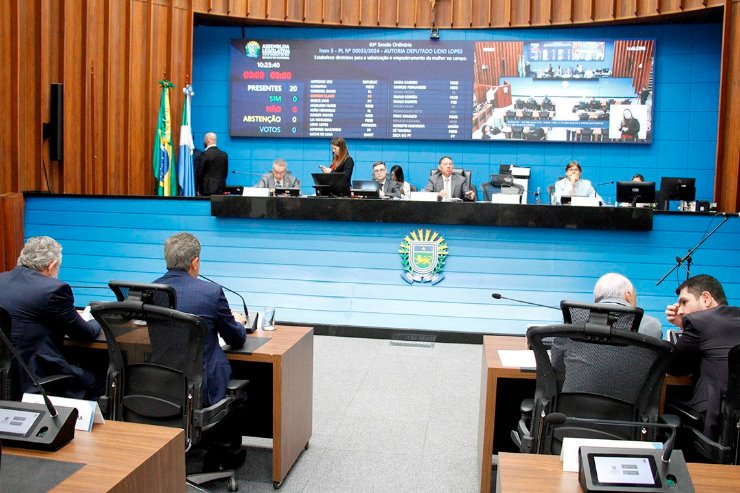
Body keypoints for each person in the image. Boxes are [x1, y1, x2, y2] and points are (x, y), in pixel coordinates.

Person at [0, 236, 103, 399]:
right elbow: (85, 333)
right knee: (98, 379)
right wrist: (94, 319)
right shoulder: (54, 289)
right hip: (34, 375)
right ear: (52, 265)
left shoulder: (2, 280)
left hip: (5, 375)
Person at [153, 233, 247, 407]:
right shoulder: (211, 292)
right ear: (195, 263)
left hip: (162, 386)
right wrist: (239, 324)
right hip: (204, 389)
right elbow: (235, 338)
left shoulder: (151, 291)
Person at [549, 273, 663, 400]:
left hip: (574, 408)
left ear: (596, 299)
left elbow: (557, 365)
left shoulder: (573, 321)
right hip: (630, 409)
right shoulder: (653, 326)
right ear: (628, 295)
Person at [665, 274, 740, 440]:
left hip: (716, 424)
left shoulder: (698, 321)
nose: (680, 310)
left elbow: (675, 367)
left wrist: (684, 325)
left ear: (706, 299)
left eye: (684, 302)